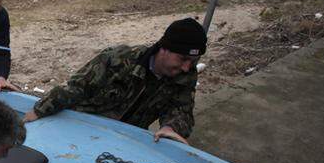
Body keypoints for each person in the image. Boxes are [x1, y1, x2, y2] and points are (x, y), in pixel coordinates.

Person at [22, 17, 206, 145]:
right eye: (182, 59)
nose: (186, 67)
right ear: (164, 48)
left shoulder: (185, 75)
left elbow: (181, 110)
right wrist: (39, 110)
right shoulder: (117, 59)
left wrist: (170, 127)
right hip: (82, 127)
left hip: (124, 139)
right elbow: (76, 88)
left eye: (192, 62)